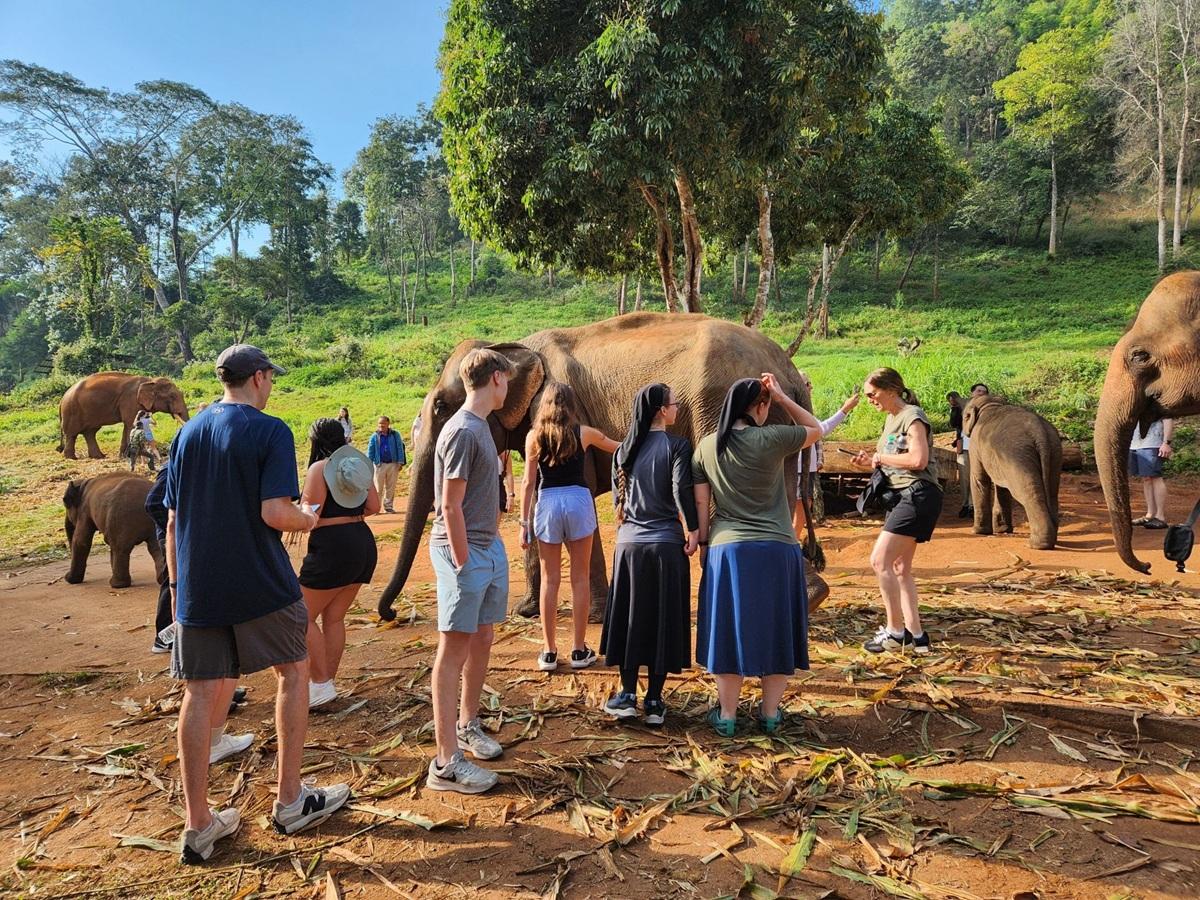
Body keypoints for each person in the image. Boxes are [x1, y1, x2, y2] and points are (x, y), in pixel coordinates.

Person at [165, 344, 349, 864]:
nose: (272, 387)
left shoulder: (188, 433)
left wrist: (179, 592)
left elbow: (175, 522)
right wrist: (308, 518)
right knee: (294, 672)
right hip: (261, 581)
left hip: (198, 588)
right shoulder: (270, 430)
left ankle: (198, 825)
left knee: (200, 694)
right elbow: (275, 512)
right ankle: (290, 801)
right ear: (261, 378)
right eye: (272, 378)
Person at [693, 374, 824, 736]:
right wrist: (784, 397)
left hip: (727, 550)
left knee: (729, 630)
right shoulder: (772, 438)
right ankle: (769, 714)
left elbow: (702, 503)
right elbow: (815, 428)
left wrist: (704, 546)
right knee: (776, 628)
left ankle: (729, 716)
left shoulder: (706, 446)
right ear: (760, 406)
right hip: (777, 548)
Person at [427, 348, 515, 794]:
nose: (510, 388)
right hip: (465, 553)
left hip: (486, 548)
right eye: (508, 380)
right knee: (453, 651)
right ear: (496, 379)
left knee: (482, 638)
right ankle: (445, 763)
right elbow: (449, 505)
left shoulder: (480, 427)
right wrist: (464, 564)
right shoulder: (462, 430)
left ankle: (467, 724)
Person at [600, 384, 699, 726]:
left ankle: (627, 695)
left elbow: (619, 504)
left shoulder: (622, 452)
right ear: (661, 410)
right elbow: (679, 489)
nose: (678, 408)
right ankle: (655, 701)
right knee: (662, 620)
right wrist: (693, 528)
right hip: (665, 547)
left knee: (631, 619)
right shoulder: (678, 446)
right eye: (674, 403)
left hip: (628, 548)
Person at [520, 383, 620, 672]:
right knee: (580, 577)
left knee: (550, 580)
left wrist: (524, 522)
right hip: (578, 498)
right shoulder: (583, 433)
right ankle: (578, 649)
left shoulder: (533, 437)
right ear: (572, 405)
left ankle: (549, 651)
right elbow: (617, 448)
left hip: (547, 501)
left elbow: (528, 483)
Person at [851, 367, 943, 656]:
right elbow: (896, 459)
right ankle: (918, 636)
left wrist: (880, 457)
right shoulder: (892, 419)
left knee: (880, 561)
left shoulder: (912, 416)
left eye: (872, 394)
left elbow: (918, 459)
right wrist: (872, 462)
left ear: (891, 390)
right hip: (902, 496)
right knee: (901, 568)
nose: (869, 400)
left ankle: (894, 633)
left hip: (918, 496)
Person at [299, 419, 381, 708]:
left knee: (301, 616)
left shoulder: (319, 469)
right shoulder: (357, 463)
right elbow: (374, 506)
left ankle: (319, 683)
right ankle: (325, 684)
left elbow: (311, 515)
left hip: (331, 547)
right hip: (362, 543)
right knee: (334, 618)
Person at [791, 373, 859, 537]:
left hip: (806, 467)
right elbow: (821, 429)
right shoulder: (795, 409)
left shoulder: (800, 409)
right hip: (799, 468)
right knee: (801, 510)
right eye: (808, 384)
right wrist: (845, 409)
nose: (811, 387)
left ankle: (794, 541)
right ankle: (792, 545)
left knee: (804, 507)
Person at [1129, 417, 1175, 529]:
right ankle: (1150, 514)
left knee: (1155, 477)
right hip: (1135, 444)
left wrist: (1166, 443)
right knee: (1146, 479)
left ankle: (1160, 517)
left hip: (1152, 443)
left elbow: (1168, 419)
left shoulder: (1158, 401)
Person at [367, 416, 406, 514]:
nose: (381, 426)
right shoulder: (374, 436)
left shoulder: (395, 434)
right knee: (378, 488)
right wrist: (368, 464)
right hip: (380, 465)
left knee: (391, 487)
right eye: (380, 424)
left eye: (383, 424)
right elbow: (370, 451)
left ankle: (388, 507)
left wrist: (400, 462)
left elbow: (399, 448)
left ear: (388, 424)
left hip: (393, 464)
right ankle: (376, 508)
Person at [947, 391, 972, 518]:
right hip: (963, 448)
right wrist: (955, 408)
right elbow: (953, 423)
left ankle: (974, 506)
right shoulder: (959, 409)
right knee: (964, 479)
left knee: (976, 479)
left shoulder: (982, 409)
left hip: (979, 450)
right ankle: (966, 504)